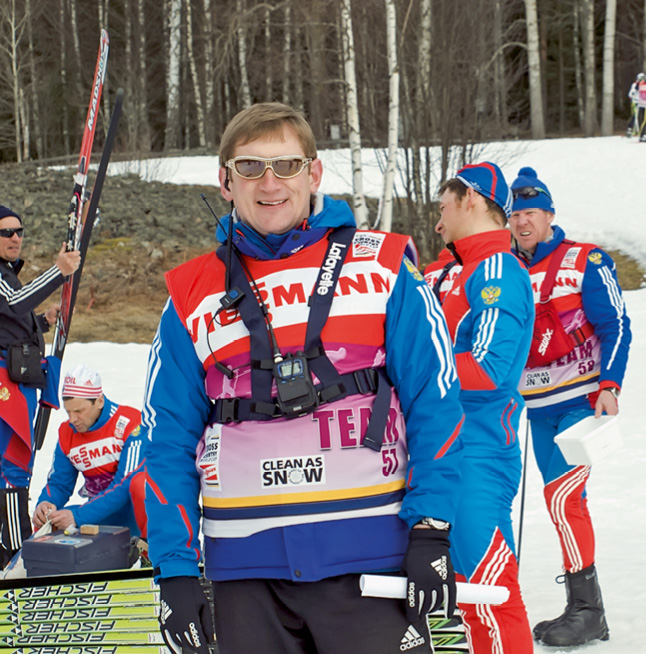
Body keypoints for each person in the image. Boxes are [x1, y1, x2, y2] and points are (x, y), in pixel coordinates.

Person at [142, 102, 466, 654]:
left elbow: (435, 403)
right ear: (225, 181)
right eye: (249, 168)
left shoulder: (384, 267)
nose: (270, 184)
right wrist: (174, 568)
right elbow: (165, 439)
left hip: (370, 561)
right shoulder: (190, 295)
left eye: (286, 165)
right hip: (244, 571)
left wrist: (431, 527)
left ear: (314, 173)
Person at [508, 166, 631, 647]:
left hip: (579, 404)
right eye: (515, 213)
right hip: (535, 410)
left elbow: (616, 325)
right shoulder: (505, 268)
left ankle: (588, 610)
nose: (522, 222)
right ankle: (583, 608)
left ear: (549, 215)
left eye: (531, 213)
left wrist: (611, 385)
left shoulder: (585, 260)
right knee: (558, 502)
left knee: (564, 499)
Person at [431, 162, 534, 653]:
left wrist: (419, 373)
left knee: (490, 592)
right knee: (464, 598)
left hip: (477, 452)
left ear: (471, 199)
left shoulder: (497, 269)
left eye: (444, 206)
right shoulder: (462, 269)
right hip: (444, 452)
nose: (438, 221)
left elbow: (491, 370)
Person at [0, 205, 80, 566]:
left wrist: (41, 324)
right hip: (6, 386)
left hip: (18, 380)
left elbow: (12, 318)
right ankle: (14, 553)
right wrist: (58, 272)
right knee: (12, 465)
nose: (16, 237)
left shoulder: (6, 274)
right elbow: (15, 304)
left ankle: (11, 545)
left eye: (19, 231)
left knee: (16, 464)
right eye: (7, 232)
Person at [32, 364, 147, 539]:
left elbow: (126, 485)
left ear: (99, 401)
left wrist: (78, 516)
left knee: (140, 483)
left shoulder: (130, 424)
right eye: (68, 411)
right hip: (100, 515)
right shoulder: (67, 433)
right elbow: (59, 484)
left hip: (138, 515)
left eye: (79, 411)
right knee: (50, 521)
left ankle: (150, 550)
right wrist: (46, 504)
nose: (72, 419)